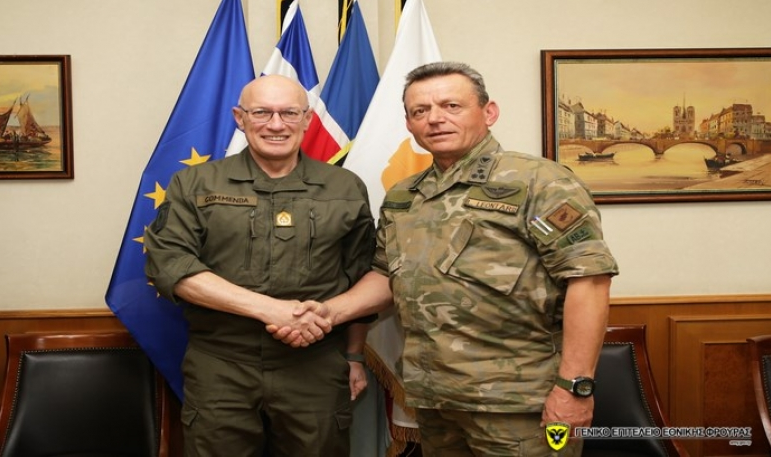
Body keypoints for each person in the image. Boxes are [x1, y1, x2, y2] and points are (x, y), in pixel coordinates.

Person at [271, 61, 619, 456]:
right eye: (420, 111)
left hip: (520, 403)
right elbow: (386, 275)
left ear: (489, 112)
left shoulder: (539, 182)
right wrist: (327, 313)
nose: (435, 119)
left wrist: (574, 387)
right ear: (409, 124)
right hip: (434, 399)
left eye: (451, 106)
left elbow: (589, 280)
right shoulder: (405, 196)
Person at [144, 74, 375, 457]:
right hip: (221, 365)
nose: (276, 124)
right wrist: (272, 310)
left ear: (307, 119)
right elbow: (172, 265)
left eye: (289, 113)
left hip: (315, 366)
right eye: (262, 112)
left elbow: (364, 274)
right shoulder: (195, 183)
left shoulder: (345, 187)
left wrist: (354, 355)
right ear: (240, 118)